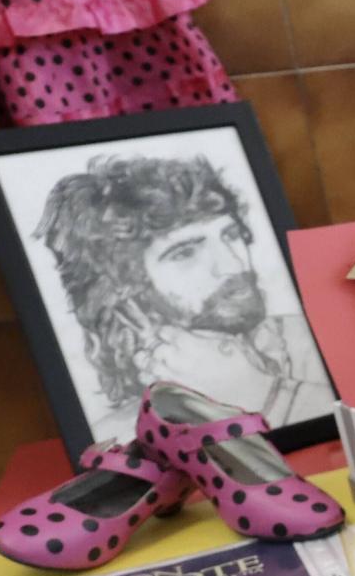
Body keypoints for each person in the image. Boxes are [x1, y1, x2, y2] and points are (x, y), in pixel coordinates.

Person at [36, 154, 333, 436]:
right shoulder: (116, 435)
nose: (234, 264)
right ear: (125, 290)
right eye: (185, 252)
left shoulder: (317, 342)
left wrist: (254, 389)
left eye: (231, 235)